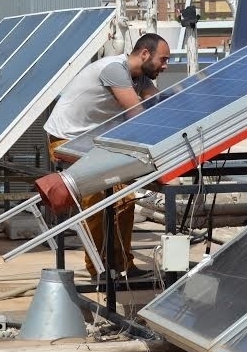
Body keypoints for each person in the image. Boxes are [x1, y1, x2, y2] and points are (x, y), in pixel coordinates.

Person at [43, 33, 170, 280]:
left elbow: (158, 105)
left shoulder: (141, 78)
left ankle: (123, 265)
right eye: (162, 59)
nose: (165, 66)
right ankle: (99, 270)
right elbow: (138, 114)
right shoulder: (114, 70)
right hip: (66, 140)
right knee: (97, 198)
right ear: (144, 54)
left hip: (94, 143)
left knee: (124, 199)